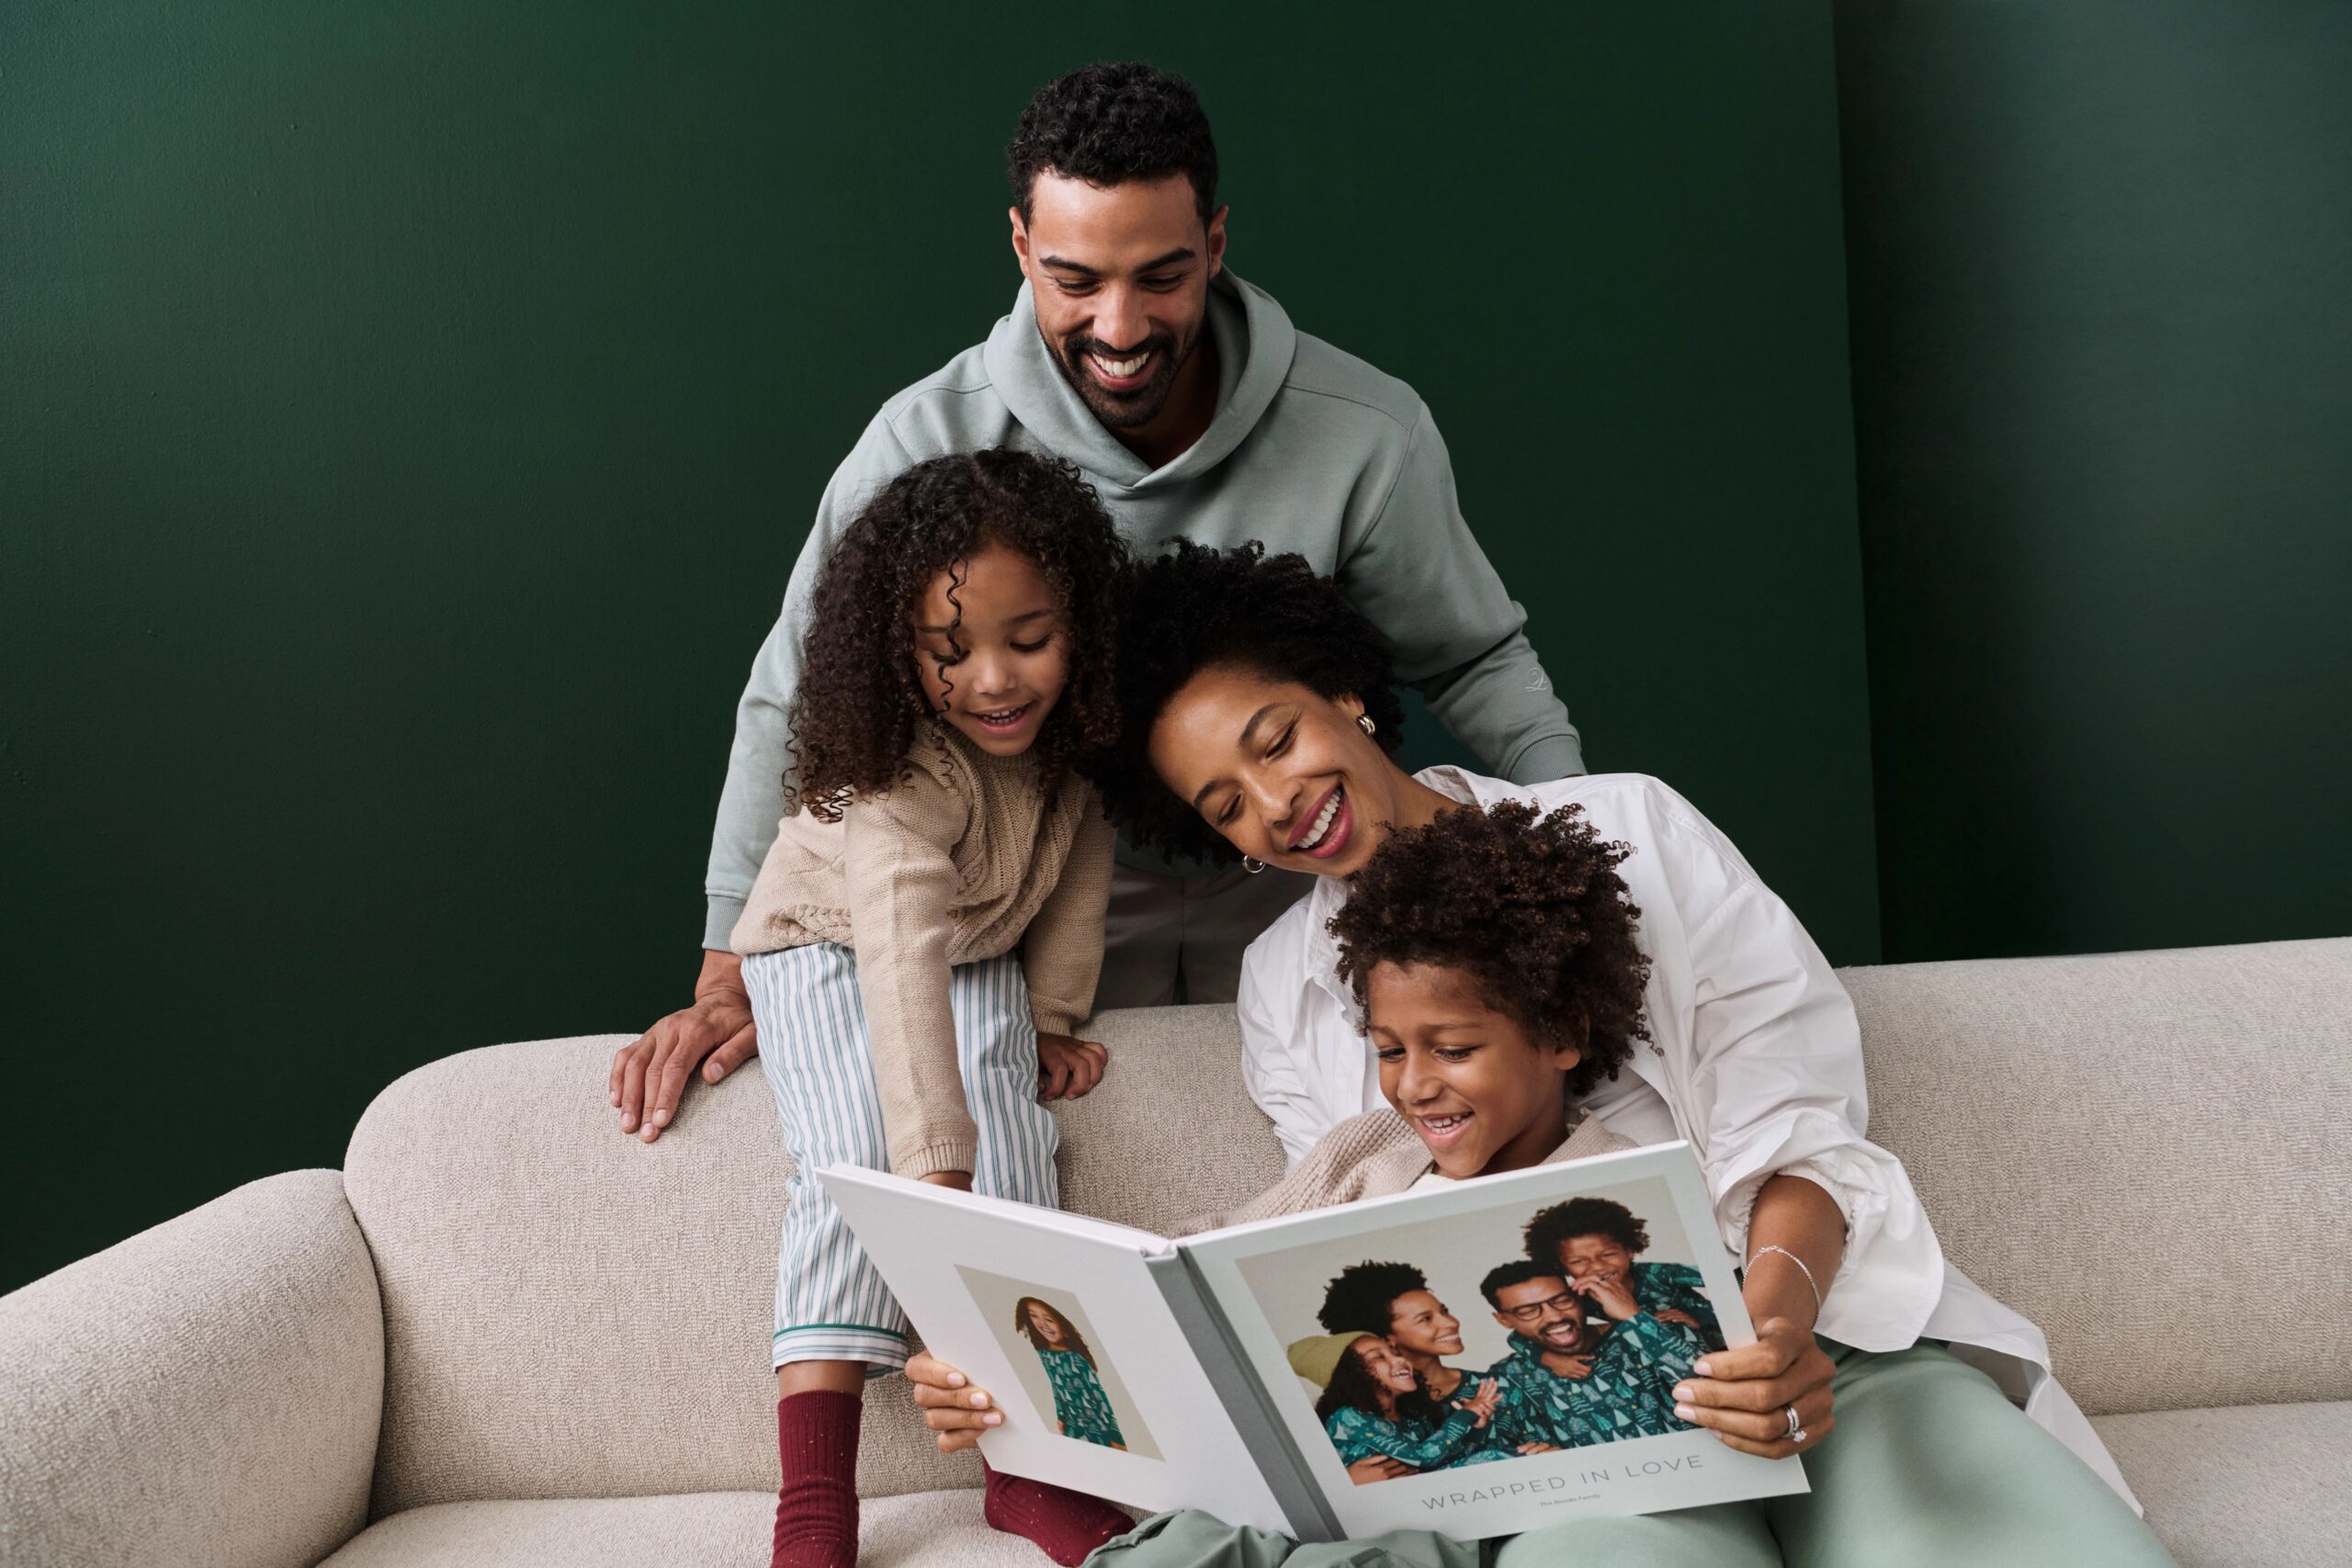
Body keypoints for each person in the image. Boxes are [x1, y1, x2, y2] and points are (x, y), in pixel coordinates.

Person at [612, 61, 1585, 1145]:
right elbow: (797, 691)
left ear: (1216, 244)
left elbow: (1474, 659)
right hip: (1039, 905)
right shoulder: (925, 440)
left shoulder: (1363, 431)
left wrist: (1576, 853)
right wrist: (726, 969)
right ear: (1021, 246)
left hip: (1297, 881)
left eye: (1160, 277)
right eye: (1075, 280)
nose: (1118, 326)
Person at [1080, 539, 2143, 1508]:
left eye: (1276, 742)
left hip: (1806, 1331)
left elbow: (1797, 1133)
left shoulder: (1630, 828)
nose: (1273, 803)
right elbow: (1355, 1225)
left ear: (1345, 695)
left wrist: (1770, 1336)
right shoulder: (1283, 984)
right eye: (1225, 807)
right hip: (1573, 1424)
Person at [910, 798, 2173, 1564]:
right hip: (1561, 1495)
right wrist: (1002, 1370)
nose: (1413, 1082)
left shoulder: (1636, 1174)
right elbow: (1183, 1270)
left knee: (1948, 1499)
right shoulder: (1363, 1153)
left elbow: (1771, 1216)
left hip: (1740, 1415)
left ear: (1564, 1037)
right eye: (1391, 1048)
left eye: (1452, 1049)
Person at [730, 449, 1134, 1568]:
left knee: (1018, 1157)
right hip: (824, 942)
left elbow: (1080, 874)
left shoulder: (1075, 751)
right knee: (852, 1159)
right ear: (895, 650)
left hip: (974, 953)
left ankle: (1031, 1472)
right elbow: (897, 949)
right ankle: (814, 1495)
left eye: (1029, 639)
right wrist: (929, 1167)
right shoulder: (900, 775)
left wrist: (1052, 1017)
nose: (994, 681)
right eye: (949, 651)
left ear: (1082, 628)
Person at [1477, 1259, 1700, 1448]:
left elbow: (1712, 1387)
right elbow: (1499, 1451)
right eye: (1527, 1311)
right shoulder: (1508, 1378)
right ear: (1503, 1320)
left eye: (1561, 1300)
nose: (1554, 1317)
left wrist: (1635, 1319)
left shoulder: (1656, 1329)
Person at [1286, 1333, 1503, 1479]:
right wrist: (1465, 1414)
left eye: (1395, 1353)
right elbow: (1424, 1456)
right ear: (1351, 1375)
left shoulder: (1412, 1415)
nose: (1400, 1360)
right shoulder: (1349, 1417)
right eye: (1379, 1357)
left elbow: (1445, 1460)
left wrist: (1477, 1426)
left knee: (1497, 1455)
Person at [1523, 1196, 1724, 1351]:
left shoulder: (1660, 1274)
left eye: (1607, 1254)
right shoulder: (1577, 1298)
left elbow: (1727, 1277)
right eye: (1578, 1261)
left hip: (1720, 1340)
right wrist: (1545, 1356)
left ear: (1629, 1250)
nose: (1597, 1267)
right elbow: (1521, 1334)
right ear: (1562, 1266)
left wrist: (1700, 1319)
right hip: (1661, 1357)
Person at [1014, 1298, 1127, 1450]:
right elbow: (1056, 1387)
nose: (1042, 1323)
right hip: (1072, 1428)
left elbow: (1099, 1396)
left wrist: (1115, 1436)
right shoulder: (1044, 1355)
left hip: (1096, 1428)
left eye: (1049, 1319)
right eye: (1033, 1316)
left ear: (1066, 1330)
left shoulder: (1077, 1359)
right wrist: (1061, 1416)